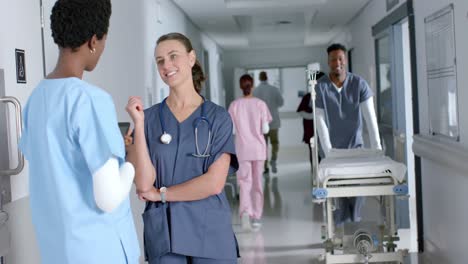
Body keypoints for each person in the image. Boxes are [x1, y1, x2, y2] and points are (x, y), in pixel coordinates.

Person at [18, 0, 140, 263]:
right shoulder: (90, 100)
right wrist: (130, 160)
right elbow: (107, 198)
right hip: (99, 251)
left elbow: (59, 163)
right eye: (104, 41)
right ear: (94, 41)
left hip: (57, 252)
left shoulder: (35, 100)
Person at [125, 32, 239, 264]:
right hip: (165, 236)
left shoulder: (218, 118)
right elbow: (144, 185)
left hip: (209, 233)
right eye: (160, 61)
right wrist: (138, 125)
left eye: (173, 56)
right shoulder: (147, 119)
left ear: (191, 58)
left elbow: (214, 183)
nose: (166, 65)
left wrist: (162, 194)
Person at [315, 43, 382, 225]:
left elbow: (370, 117)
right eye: (333, 59)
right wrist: (328, 151)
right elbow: (320, 121)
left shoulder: (359, 84)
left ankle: (353, 217)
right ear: (328, 62)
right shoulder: (320, 87)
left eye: (340, 59)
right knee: (339, 191)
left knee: (357, 188)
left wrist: (377, 148)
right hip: (332, 149)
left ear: (345, 61)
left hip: (355, 146)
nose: (337, 62)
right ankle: (342, 220)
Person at [228, 74, 272, 230]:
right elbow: (265, 129)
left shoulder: (234, 105)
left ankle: (245, 213)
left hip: (242, 150)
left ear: (241, 87)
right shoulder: (260, 104)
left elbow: (232, 130)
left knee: (244, 183)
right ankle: (257, 218)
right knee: (257, 183)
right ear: (252, 86)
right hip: (258, 150)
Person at [253, 71, 284, 174]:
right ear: (267, 78)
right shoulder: (274, 89)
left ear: (259, 78)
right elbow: (281, 103)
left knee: (263, 145)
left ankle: (265, 167)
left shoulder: (255, 91)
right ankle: (274, 159)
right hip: (274, 122)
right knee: (275, 143)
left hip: (261, 123)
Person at [296, 71, 325, 172]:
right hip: (311, 131)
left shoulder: (328, 95)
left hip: (326, 131)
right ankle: (316, 174)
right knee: (314, 154)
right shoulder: (308, 97)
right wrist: (315, 116)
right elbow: (301, 111)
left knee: (325, 153)